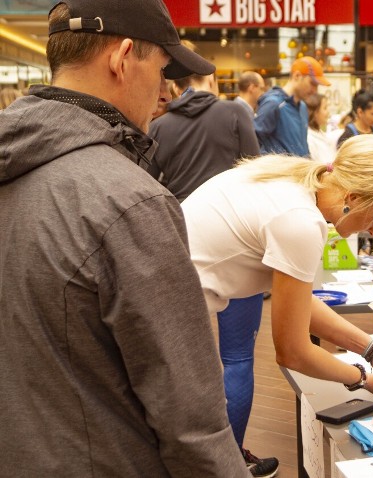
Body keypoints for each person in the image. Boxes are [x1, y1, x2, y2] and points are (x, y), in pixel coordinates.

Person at [0, 0, 251, 476]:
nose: (165, 93)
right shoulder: (129, 202)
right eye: (161, 71)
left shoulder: (17, 161)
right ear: (122, 57)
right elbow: (191, 421)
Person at [181, 135, 373, 424]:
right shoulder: (301, 221)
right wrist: (366, 379)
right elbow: (292, 352)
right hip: (168, 312)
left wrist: (372, 349)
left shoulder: (293, 180)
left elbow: (299, 304)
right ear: (354, 199)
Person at [148, 42, 260, 202]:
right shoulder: (236, 113)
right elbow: (255, 171)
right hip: (230, 215)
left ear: (178, 90)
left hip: (183, 219)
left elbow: (146, 186)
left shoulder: (156, 128)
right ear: (210, 79)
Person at [254, 56, 329, 156]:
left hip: (299, 170)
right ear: (297, 76)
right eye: (312, 83)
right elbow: (254, 142)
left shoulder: (302, 107)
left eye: (317, 86)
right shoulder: (273, 104)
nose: (314, 90)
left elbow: (302, 146)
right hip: (278, 170)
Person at [305, 92, 336, 163]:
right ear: (315, 112)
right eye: (325, 108)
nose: (328, 112)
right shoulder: (309, 139)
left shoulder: (320, 133)